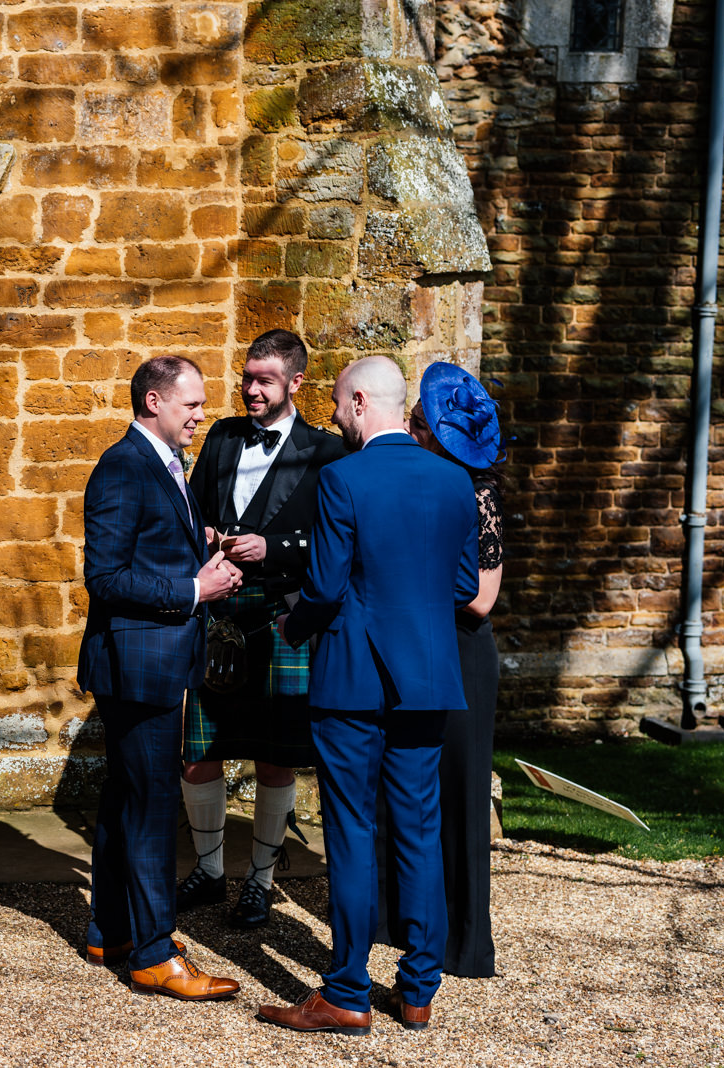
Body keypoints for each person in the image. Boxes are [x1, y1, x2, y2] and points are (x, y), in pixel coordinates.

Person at [261, 356, 478, 1035]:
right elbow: (465, 586)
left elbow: (324, 588)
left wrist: (291, 627)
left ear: (360, 401)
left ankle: (348, 992)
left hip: (352, 681)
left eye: (335, 404)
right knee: (417, 831)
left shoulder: (343, 477)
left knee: (352, 834)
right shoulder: (454, 480)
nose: (332, 417)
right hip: (428, 679)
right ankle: (417, 992)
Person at [78, 355, 244, 1001]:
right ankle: (152, 954)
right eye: (191, 405)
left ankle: (111, 930)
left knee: (127, 797)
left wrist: (193, 543)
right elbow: (106, 577)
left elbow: (144, 543)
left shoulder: (162, 463)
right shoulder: (123, 465)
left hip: (151, 660)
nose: (201, 416)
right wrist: (193, 587)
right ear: (153, 401)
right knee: (150, 806)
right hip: (137, 665)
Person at [179, 329, 347, 925]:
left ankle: (262, 880)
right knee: (201, 752)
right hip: (217, 610)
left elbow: (335, 543)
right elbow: (194, 508)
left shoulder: (326, 453)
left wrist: (272, 546)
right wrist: (199, 535)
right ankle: (209, 869)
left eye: (264, 380)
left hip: (279, 617)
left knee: (275, 756)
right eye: (247, 377)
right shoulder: (222, 436)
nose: (251, 389)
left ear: (296, 382)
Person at [409, 362, 506, 979]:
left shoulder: (479, 495)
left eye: (419, 419)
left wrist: (410, 577)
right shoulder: (422, 482)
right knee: (412, 789)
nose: (411, 425)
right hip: (420, 645)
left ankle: (466, 942)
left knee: (464, 793)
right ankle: (405, 922)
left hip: (465, 653)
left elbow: (481, 598)